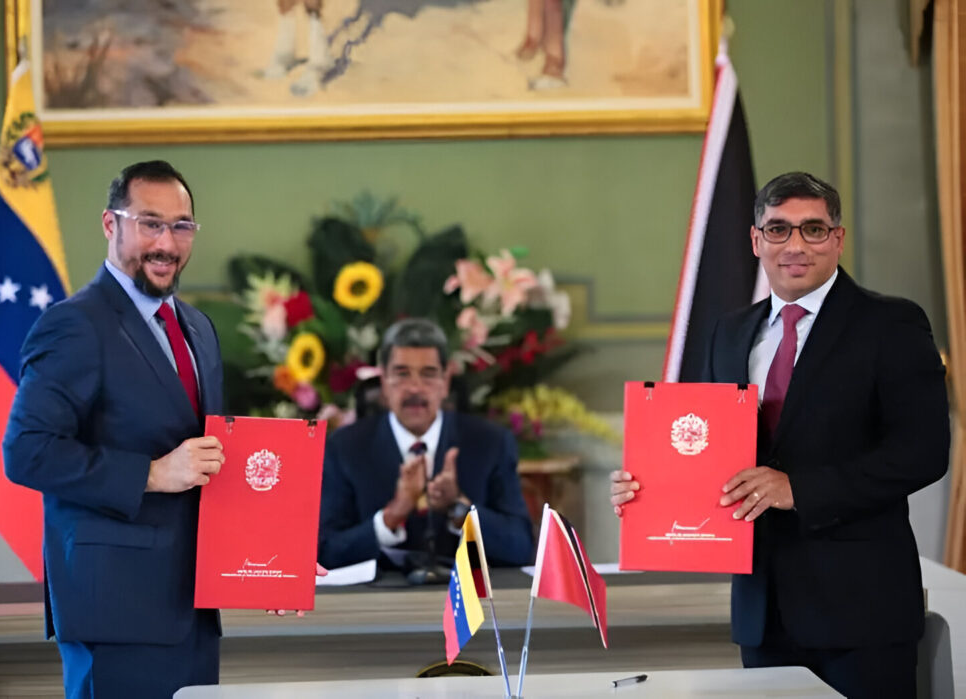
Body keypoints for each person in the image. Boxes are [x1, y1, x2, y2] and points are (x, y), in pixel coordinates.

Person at [610, 172, 949, 698]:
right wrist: (647, 490)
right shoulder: (730, 332)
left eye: (813, 230)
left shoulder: (891, 324)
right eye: (778, 229)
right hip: (762, 612)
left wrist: (799, 489)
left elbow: (923, 453)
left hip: (862, 612)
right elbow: (702, 449)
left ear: (837, 239)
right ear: (755, 240)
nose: (794, 245)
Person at [5, 160, 222, 698]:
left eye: (181, 226)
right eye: (150, 223)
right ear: (110, 224)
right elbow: (27, 452)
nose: (167, 243)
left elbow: (211, 456)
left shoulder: (198, 327)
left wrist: (266, 554)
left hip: (192, 609)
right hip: (114, 614)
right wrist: (149, 474)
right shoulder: (73, 324)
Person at [318, 317, 535, 571]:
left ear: (445, 383)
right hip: (375, 604)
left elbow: (521, 546)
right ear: (384, 383)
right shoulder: (345, 448)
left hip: (465, 603)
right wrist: (391, 518)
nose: (415, 388)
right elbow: (324, 552)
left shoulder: (491, 443)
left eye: (428, 374)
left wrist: (459, 509)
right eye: (401, 374)